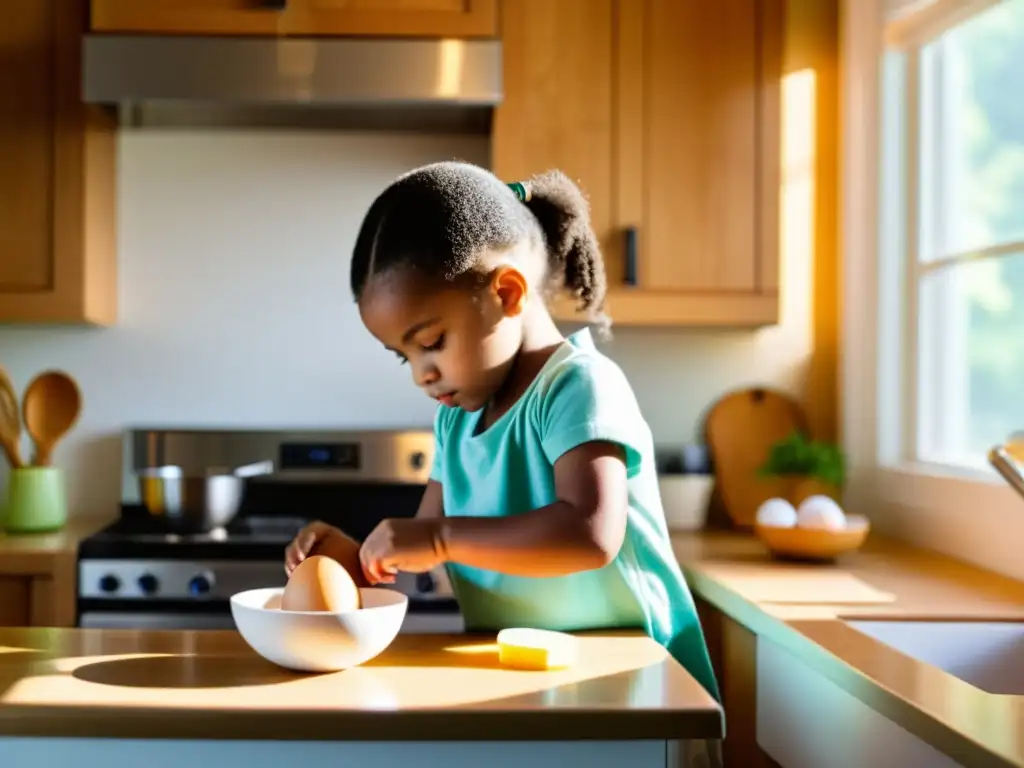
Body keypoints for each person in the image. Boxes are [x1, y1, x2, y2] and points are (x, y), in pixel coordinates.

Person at [284, 160, 721, 706]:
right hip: (520, 674)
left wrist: (440, 540)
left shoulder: (576, 387)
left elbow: (590, 535)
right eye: (405, 358)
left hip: (636, 675)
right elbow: (425, 546)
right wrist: (351, 558)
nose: (423, 374)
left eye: (433, 341)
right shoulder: (456, 418)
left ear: (508, 293)